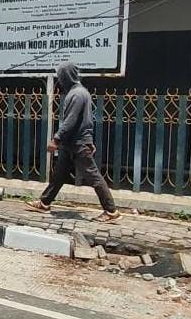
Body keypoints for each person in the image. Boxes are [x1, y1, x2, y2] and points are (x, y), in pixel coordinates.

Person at [26, 62, 121, 223]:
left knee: (93, 176)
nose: (59, 80)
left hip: (77, 143)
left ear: (66, 76)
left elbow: (71, 121)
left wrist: (56, 138)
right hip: (72, 143)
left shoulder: (76, 94)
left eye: (61, 76)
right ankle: (44, 202)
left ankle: (111, 211)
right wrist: (89, 140)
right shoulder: (80, 92)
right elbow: (87, 120)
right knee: (59, 175)